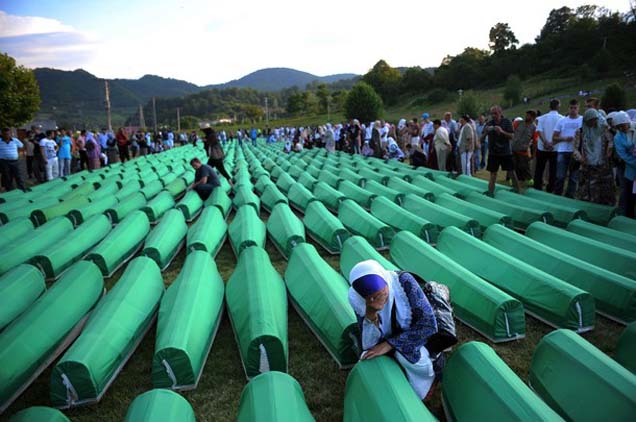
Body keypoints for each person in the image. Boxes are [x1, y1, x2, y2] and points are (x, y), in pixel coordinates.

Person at [347, 260, 438, 400]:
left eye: (379, 294)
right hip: (387, 337)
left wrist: (390, 344)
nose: (375, 299)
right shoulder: (357, 298)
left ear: (385, 281)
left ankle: (425, 386)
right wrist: (371, 313)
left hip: (417, 335)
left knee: (408, 356)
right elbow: (369, 344)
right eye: (369, 298)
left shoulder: (403, 282)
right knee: (367, 356)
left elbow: (429, 324)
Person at [573, 109, 615, 205]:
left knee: (605, 192)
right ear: (586, 120)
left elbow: (611, 142)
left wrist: (608, 151)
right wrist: (581, 159)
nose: (594, 122)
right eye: (591, 120)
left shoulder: (603, 130)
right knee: (589, 193)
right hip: (588, 167)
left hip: (603, 166)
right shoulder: (580, 132)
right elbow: (575, 149)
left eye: (595, 119)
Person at [481, 105, 519, 195]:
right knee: (493, 174)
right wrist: (486, 132)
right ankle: (490, 192)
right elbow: (481, 138)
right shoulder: (489, 123)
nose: (493, 115)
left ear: (500, 113)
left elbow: (512, 136)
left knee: (511, 172)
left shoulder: (507, 122)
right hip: (493, 152)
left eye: (495, 113)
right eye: (492, 114)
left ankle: (517, 190)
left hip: (505, 152)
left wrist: (502, 131)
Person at [552, 99, 583, 197]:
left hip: (576, 152)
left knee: (574, 177)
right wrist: (565, 138)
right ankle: (557, 195)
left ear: (578, 108)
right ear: (568, 108)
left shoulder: (582, 120)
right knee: (560, 176)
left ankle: (570, 196)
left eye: (575, 108)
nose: (573, 110)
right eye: (571, 108)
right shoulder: (562, 120)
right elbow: (554, 138)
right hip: (563, 150)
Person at [534, 99, 562, 192]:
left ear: (549, 106)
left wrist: (545, 142)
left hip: (542, 147)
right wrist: (552, 143)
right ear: (558, 106)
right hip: (555, 148)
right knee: (553, 171)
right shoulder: (561, 119)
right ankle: (550, 188)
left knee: (539, 169)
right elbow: (560, 133)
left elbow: (539, 130)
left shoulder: (542, 118)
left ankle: (537, 186)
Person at [612, 111, 636, 218]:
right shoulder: (617, 138)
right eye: (618, 127)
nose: (621, 128)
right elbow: (623, 155)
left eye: (622, 125)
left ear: (627, 122)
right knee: (629, 197)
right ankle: (628, 218)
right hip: (630, 170)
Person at [511, 110, 537, 191]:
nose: (526, 116)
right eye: (526, 115)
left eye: (528, 115)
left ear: (533, 117)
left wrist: (533, 154)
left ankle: (529, 183)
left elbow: (535, 142)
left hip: (523, 151)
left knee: (524, 167)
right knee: (513, 167)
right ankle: (515, 182)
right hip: (513, 149)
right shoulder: (518, 123)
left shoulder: (534, 128)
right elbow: (511, 131)